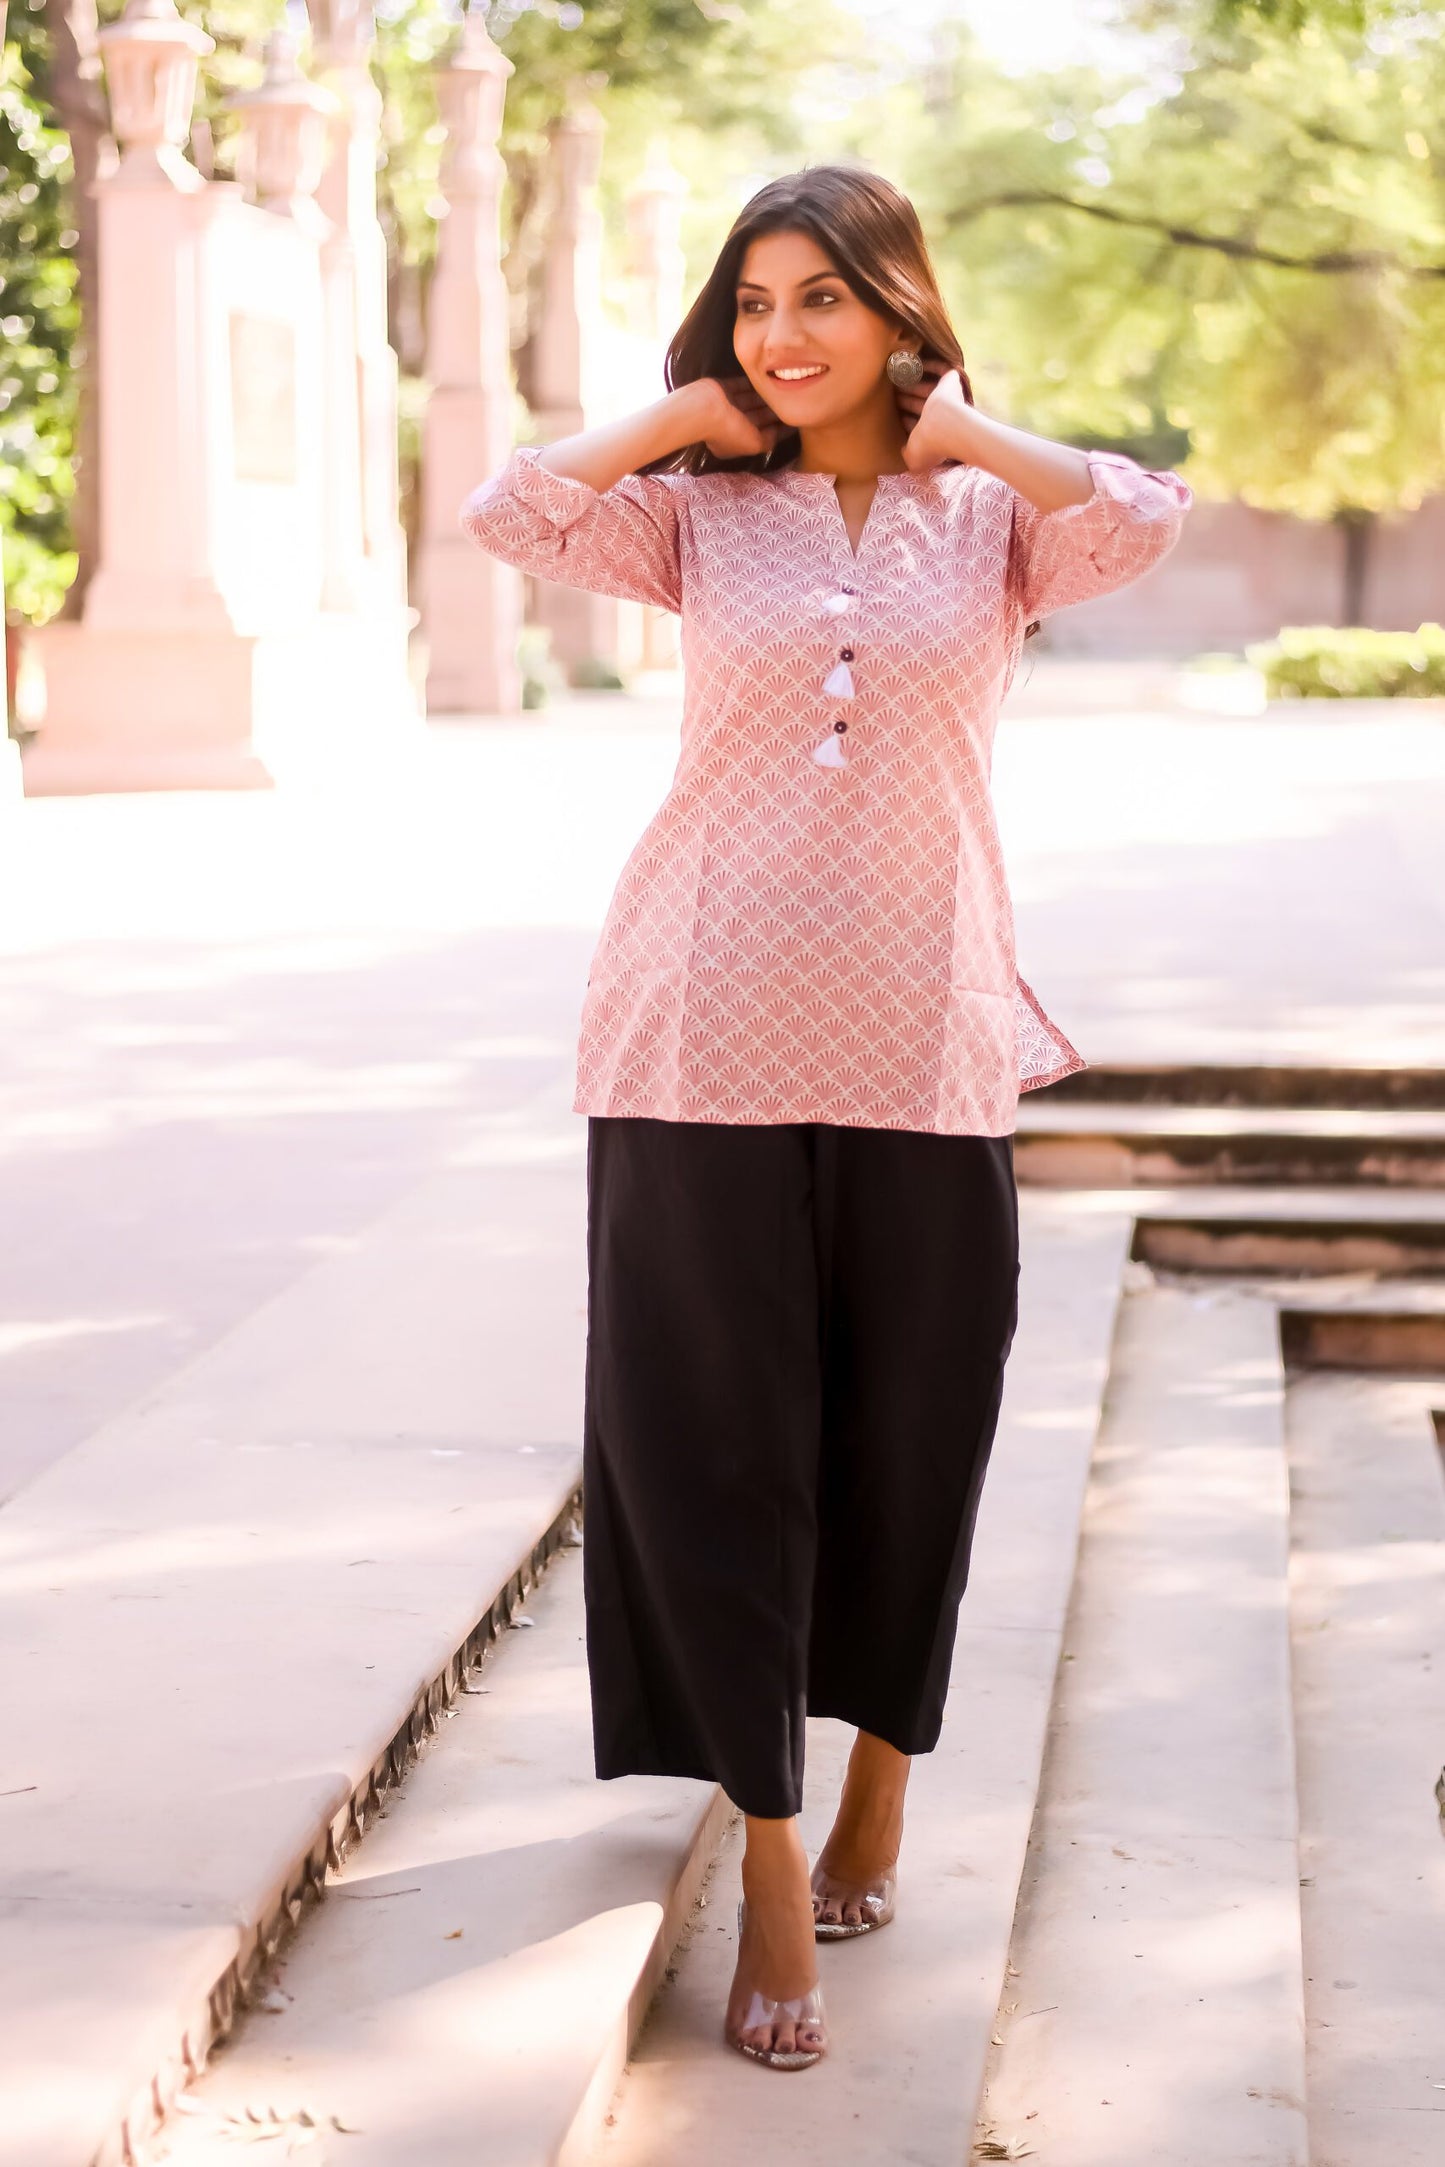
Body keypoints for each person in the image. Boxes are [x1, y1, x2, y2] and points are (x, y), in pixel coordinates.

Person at [460, 163, 1191, 2074]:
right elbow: (508, 509)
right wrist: (687, 414)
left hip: (924, 1038)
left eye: (820, 300)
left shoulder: (991, 530)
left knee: (911, 1429)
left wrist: (961, 432)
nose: (783, 336)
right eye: (754, 301)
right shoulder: (702, 524)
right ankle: (770, 1852)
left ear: (895, 308)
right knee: (707, 1441)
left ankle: (882, 1765)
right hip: (694, 1027)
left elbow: (1142, 516)